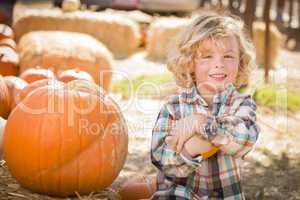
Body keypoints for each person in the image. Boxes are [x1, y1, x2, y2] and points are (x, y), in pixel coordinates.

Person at [119, 10, 260, 200]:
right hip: (178, 194)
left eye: (228, 56)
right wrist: (191, 149)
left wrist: (200, 123)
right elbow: (162, 160)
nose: (218, 64)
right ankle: (149, 187)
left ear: (240, 61)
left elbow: (243, 140)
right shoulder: (173, 107)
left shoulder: (242, 104)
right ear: (190, 62)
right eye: (207, 56)